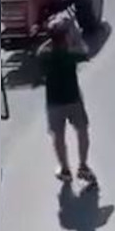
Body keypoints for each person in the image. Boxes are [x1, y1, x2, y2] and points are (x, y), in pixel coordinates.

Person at [38, 19, 96, 184]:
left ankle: (64, 169)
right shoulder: (72, 54)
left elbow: (41, 51)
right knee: (82, 130)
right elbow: (85, 51)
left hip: (54, 102)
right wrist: (75, 37)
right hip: (73, 99)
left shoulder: (44, 55)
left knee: (58, 135)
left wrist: (52, 38)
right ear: (66, 37)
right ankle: (83, 166)